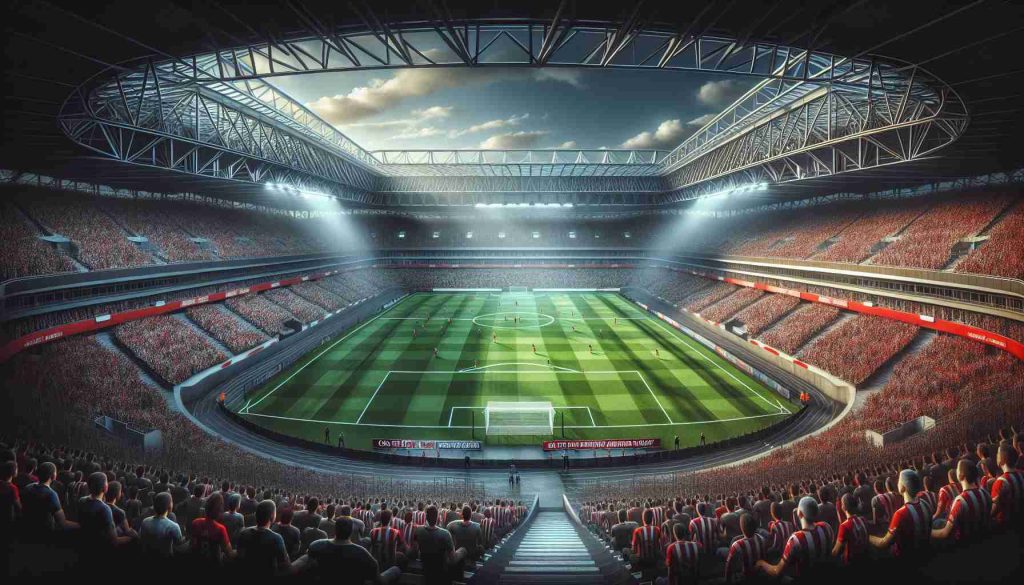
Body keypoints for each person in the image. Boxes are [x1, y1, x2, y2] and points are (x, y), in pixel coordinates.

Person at [300, 516, 399, 584]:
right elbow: (379, 580)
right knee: (395, 569)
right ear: (351, 532)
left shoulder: (316, 545)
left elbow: (308, 567)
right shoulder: (363, 553)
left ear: (335, 529)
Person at [757, 497, 833, 579]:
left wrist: (762, 563)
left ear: (799, 513)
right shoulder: (826, 527)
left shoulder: (796, 539)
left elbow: (776, 571)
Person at [870, 469, 930, 559]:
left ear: (903, 488)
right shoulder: (925, 504)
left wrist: (868, 537)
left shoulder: (900, 514)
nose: (897, 483)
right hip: (925, 551)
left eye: (899, 481)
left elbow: (883, 543)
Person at [932, 459, 992, 543]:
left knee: (936, 524)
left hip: (964, 543)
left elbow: (944, 533)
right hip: (984, 536)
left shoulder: (960, 501)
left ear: (961, 475)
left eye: (957, 469)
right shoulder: (985, 493)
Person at [20, 461, 75, 541]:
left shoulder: (28, 487)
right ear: (53, 476)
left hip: (26, 529)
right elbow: (63, 523)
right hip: (43, 534)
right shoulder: (51, 494)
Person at [237, 500, 291, 576]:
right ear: (272, 516)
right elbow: (285, 565)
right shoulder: (277, 538)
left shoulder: (244, 533)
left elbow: (240, 556)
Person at [415, 505, 466, 585]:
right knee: (463, 550)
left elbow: (416, 549)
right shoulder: (445, 534)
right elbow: (452, 558)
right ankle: (458, 579)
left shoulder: (418, 530)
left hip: (425, 566)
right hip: (441, 569)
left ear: (426, 517)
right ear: (437, 517)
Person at [190, 492, 234, 566]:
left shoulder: (195, 522)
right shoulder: (221, 529)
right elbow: (229, 553)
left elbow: (193, 545)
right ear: (219, 510)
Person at [141, 492, 185, 559]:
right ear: (169, 506)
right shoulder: (173, 526)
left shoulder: (145, 521)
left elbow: (141, 537)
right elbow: (178, 542)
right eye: (171, 501)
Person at [724, 513, 765, 582]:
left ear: (741, 527)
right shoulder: (761, 538)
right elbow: (764, 557)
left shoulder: (737, 544)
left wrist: (727, 581)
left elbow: (729, 566)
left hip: (744, 577)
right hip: (759, 575)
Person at [991, 442, 1024, 529]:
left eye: (998, 453)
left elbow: (993, 512)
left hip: (1007, 527)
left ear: (1003, 458)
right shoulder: (1022, 474)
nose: (996, 455)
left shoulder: (1000, 482)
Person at [832, 493, 868, 565]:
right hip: (865, 555)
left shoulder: (844, 526)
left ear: (843, 507)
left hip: (851, 560)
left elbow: (835, 551)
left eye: (842, 504)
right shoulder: (863, 519)